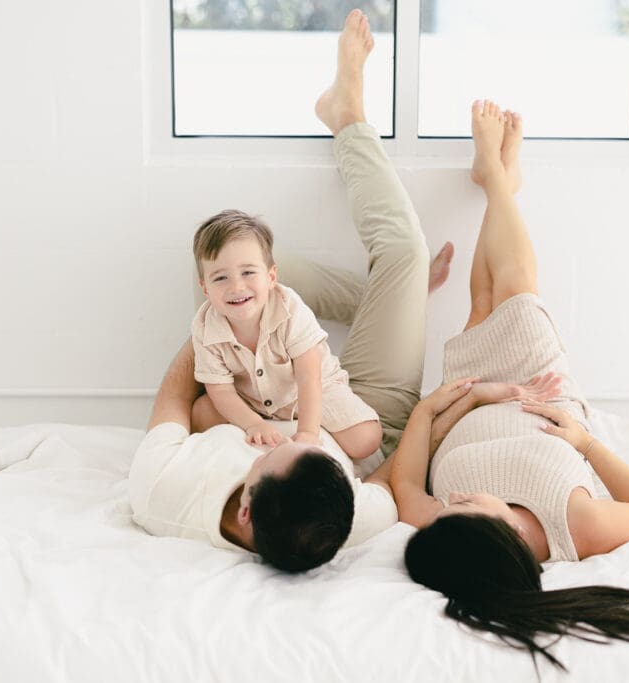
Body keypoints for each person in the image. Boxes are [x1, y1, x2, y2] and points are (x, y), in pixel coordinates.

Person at [128, 10, 445, 573]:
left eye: (282, 452)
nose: (291, 442)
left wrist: (216, 316)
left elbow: (177, 402)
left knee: (223, 267)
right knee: (405, 254)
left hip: (272, 377)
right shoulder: (346, 518)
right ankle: (348, 117)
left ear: (245, 508)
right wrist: (426, 417)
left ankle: (378, 295)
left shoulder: (160, 497)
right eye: (306, 452)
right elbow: (392, 483)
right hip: (365, 409)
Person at [387, 100, 629, 670]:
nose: (454, 503)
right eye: (466, 509)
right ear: (503, 539)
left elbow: (406, 488)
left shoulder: (447, 535)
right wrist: (584, 443)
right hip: (542, 392)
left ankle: (499, 180)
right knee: (516, 285)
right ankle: (496, 179)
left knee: (482, 300)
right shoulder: (578, 526)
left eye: (451, 508)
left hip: (466, 399)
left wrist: (433, 411)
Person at [189, 208, 383, 461]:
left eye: (248, 273)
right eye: (221, 278)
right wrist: (253, 424)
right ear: (205, 287)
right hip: (252, 399)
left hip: (311, 389)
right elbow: (221, 391)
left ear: (270, 277)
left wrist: (308, 433)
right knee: (200, 414)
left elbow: (308, 376)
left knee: (367, 438)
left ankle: (297, 427)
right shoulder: (205, 327)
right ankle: (270, 427)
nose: (236, 287)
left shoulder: (289, 309)